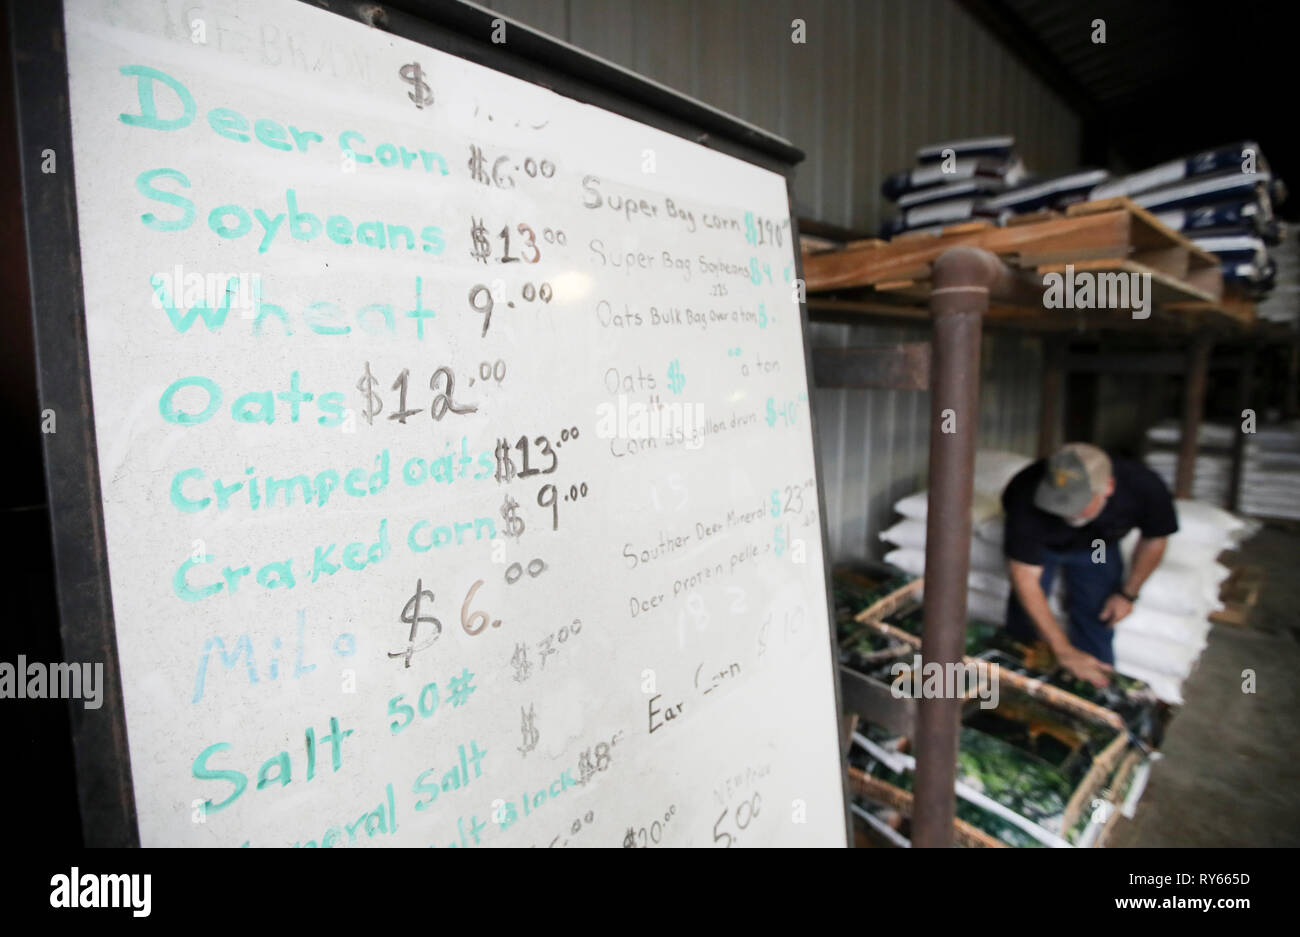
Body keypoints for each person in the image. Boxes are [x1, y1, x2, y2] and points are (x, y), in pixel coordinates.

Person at [1001, 442, 1178, 687]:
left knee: (1097, 610)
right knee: (1026, 618)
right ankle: (1017, 688)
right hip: (1044, 543)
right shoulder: (1025, 491)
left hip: (1097, 545)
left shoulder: (1143, 487)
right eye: (1058, 502)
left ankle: (1094, 691)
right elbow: (1025, 576)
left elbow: (1155, 538)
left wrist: (1128, 594)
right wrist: (1062, 650)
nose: (1067, 513)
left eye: (1077, 504)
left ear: (1108, 487)